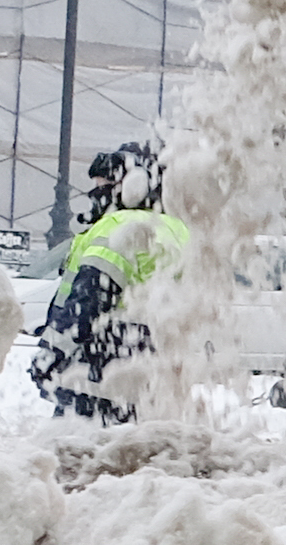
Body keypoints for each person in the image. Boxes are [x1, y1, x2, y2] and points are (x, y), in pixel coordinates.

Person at [32, 145, 188, 422]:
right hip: (151, 374)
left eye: (103, 190)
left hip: (97, 373)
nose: (97, 199)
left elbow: (88, 299)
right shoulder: (177, 230)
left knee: (76, 455)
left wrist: (51, 354)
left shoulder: (119, 227)